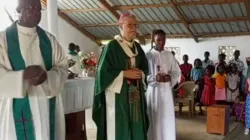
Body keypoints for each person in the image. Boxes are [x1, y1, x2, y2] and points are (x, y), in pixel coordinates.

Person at [0, 0, 68, 139]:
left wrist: (48, 77)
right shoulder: (3, 39)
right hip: (15, 106)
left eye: (38, 8)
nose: (36, 11)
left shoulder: (49, 39)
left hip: (45, 103)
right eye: (30, 7)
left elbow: (62, 66)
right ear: (19, 10)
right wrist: (22, 76)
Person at [92, 13, 149, 140]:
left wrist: (141, 74)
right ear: (120, 26)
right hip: (118, 96)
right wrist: (124, 73)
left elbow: (145, 68)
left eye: (135, 25)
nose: (133, 28)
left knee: (136, 124)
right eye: (130, 25)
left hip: (135, 96)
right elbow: (102, 72)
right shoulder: (112, 46)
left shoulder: (137, 47)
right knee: (119, 127)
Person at [146, 29, 180, 140]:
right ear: (154, 40)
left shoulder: (169, 55)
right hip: (153, 92)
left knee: (167, 117)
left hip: (166, 91)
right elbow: (142, 75)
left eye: (163, 40)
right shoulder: (148, 56)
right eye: (158, 40)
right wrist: (154, 78)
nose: (161, 42)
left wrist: (170, 78)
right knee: (154, 117)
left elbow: (176, 72)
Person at [245, 57, 250, 135]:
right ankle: (247, 127)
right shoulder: (248, 79)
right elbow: (246, 87)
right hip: (249, 95)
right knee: (249, 112)